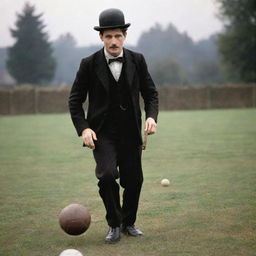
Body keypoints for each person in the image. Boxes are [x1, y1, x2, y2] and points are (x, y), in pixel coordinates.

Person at [69, 8, 158, 243]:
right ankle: (114, 224)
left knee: (134, 180)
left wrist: (151, 117)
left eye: (117, 36)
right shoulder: (88, 64)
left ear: (125, 36)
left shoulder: (137, 60)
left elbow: (150, 94)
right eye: (108, 36)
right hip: (102, 134)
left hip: (130, 132)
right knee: (107, 176)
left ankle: (129, 222)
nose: (113, 41)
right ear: (101, 38)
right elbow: (75, 100)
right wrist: (84, 128)